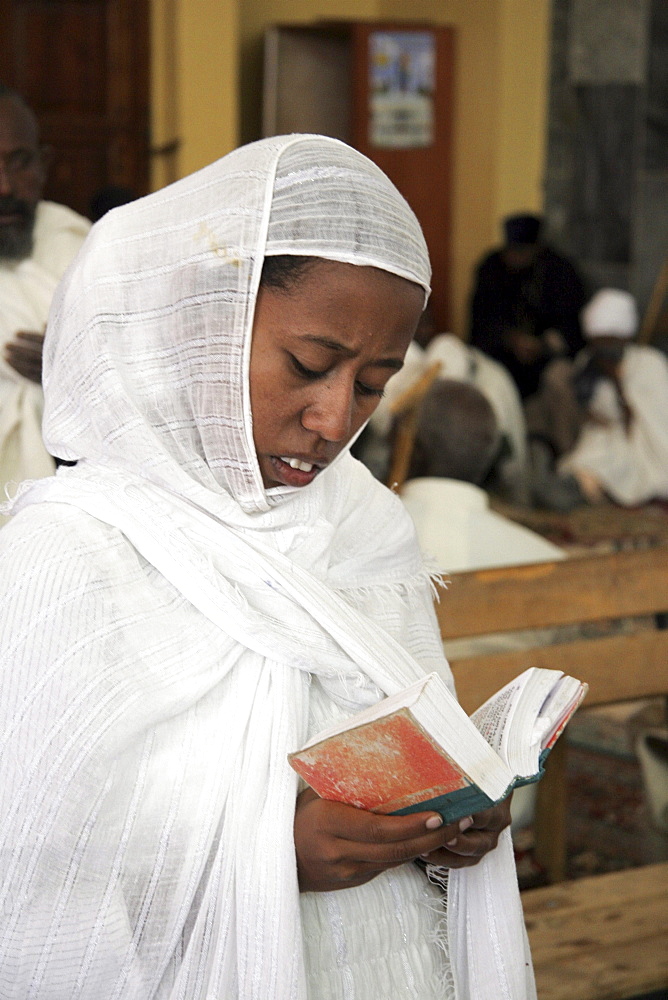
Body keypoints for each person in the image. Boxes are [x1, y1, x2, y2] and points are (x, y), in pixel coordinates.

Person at [0, 136, 535, 999]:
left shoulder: (363, 521)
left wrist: (451, 818)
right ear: (201, 327)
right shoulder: (65, 554)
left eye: (373, 383)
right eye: (310, 366)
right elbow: (29, 872)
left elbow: (413, 740)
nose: (334, 420)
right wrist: (268, 854)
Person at [0, 84, 90, 512]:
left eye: (19, 164)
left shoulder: (82, 243)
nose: (4, 187)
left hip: (82, 498)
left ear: (44, 164)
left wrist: (70, 370)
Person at [558, 288, 668, 506]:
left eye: (610, 341)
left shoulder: (648, 364)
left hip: (645, 447)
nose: (605, 349)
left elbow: (653, 422)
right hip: (605, 438)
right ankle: (577, 490)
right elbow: (590, 411)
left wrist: (617, 380)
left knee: (615, 461)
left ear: (625, 338)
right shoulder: (588, 362)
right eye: (600, 342)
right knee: (590, 454)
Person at [469, 212, 586, 399]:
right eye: (511, 251)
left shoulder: (561, 273)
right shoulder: (491, 269)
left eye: (522, 251)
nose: (515, 257)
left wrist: (542, 345)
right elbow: (481, 321)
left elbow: (571, 328)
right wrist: (510, 339)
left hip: (545, 359)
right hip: (501, 354)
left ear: (537, 249)